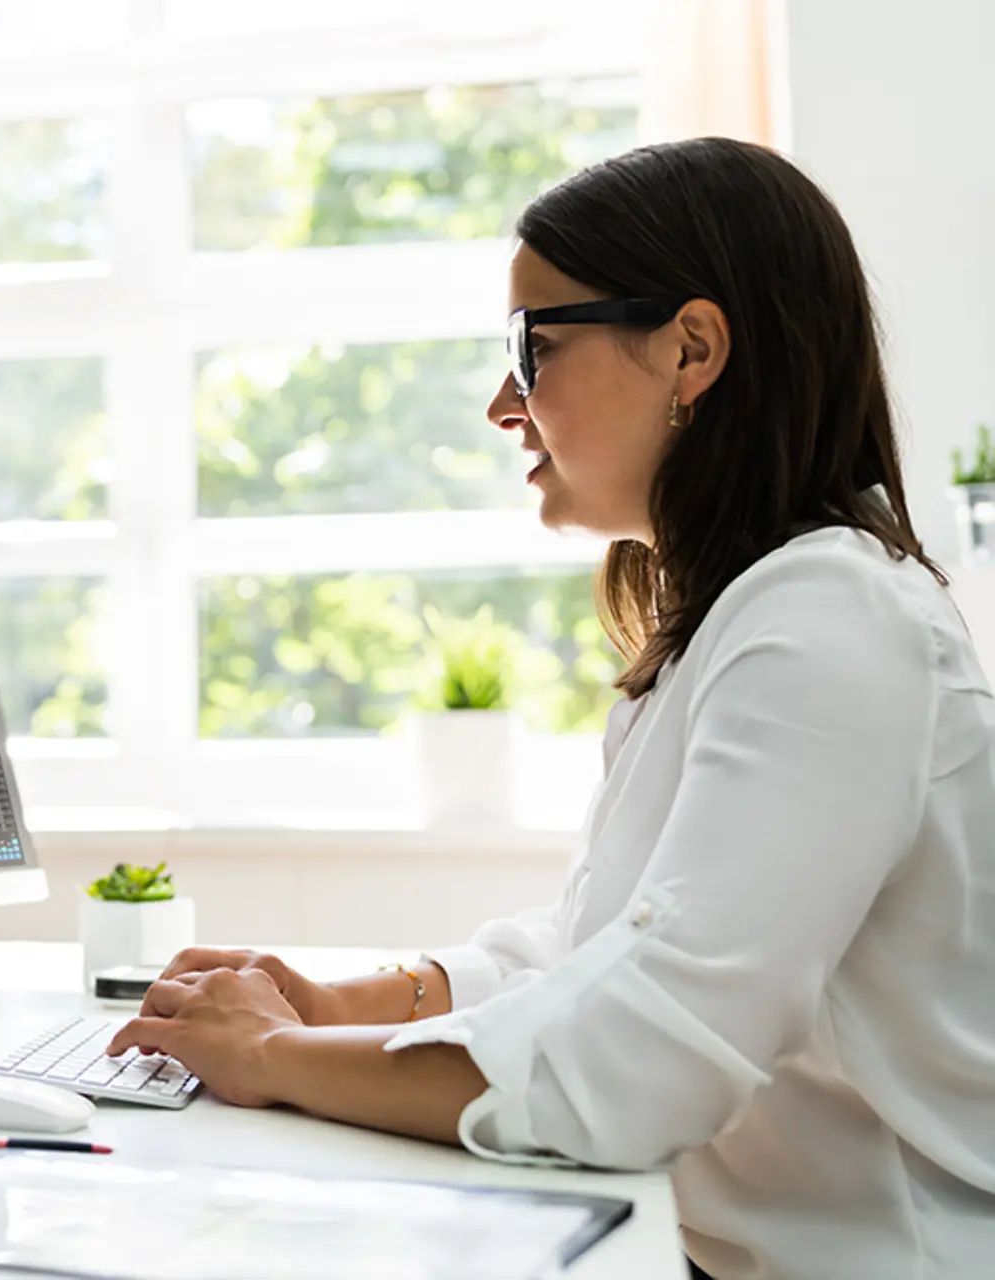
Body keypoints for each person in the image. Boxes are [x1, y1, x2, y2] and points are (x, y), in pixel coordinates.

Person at [106, 137, 995, 1279]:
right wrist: (342, 1002)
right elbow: (599, 950)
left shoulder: (829, 618)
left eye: (531, 346)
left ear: (690, 349)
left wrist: (275, 1050)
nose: (499, 403)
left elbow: (640, 1056)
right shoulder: (751, 614)